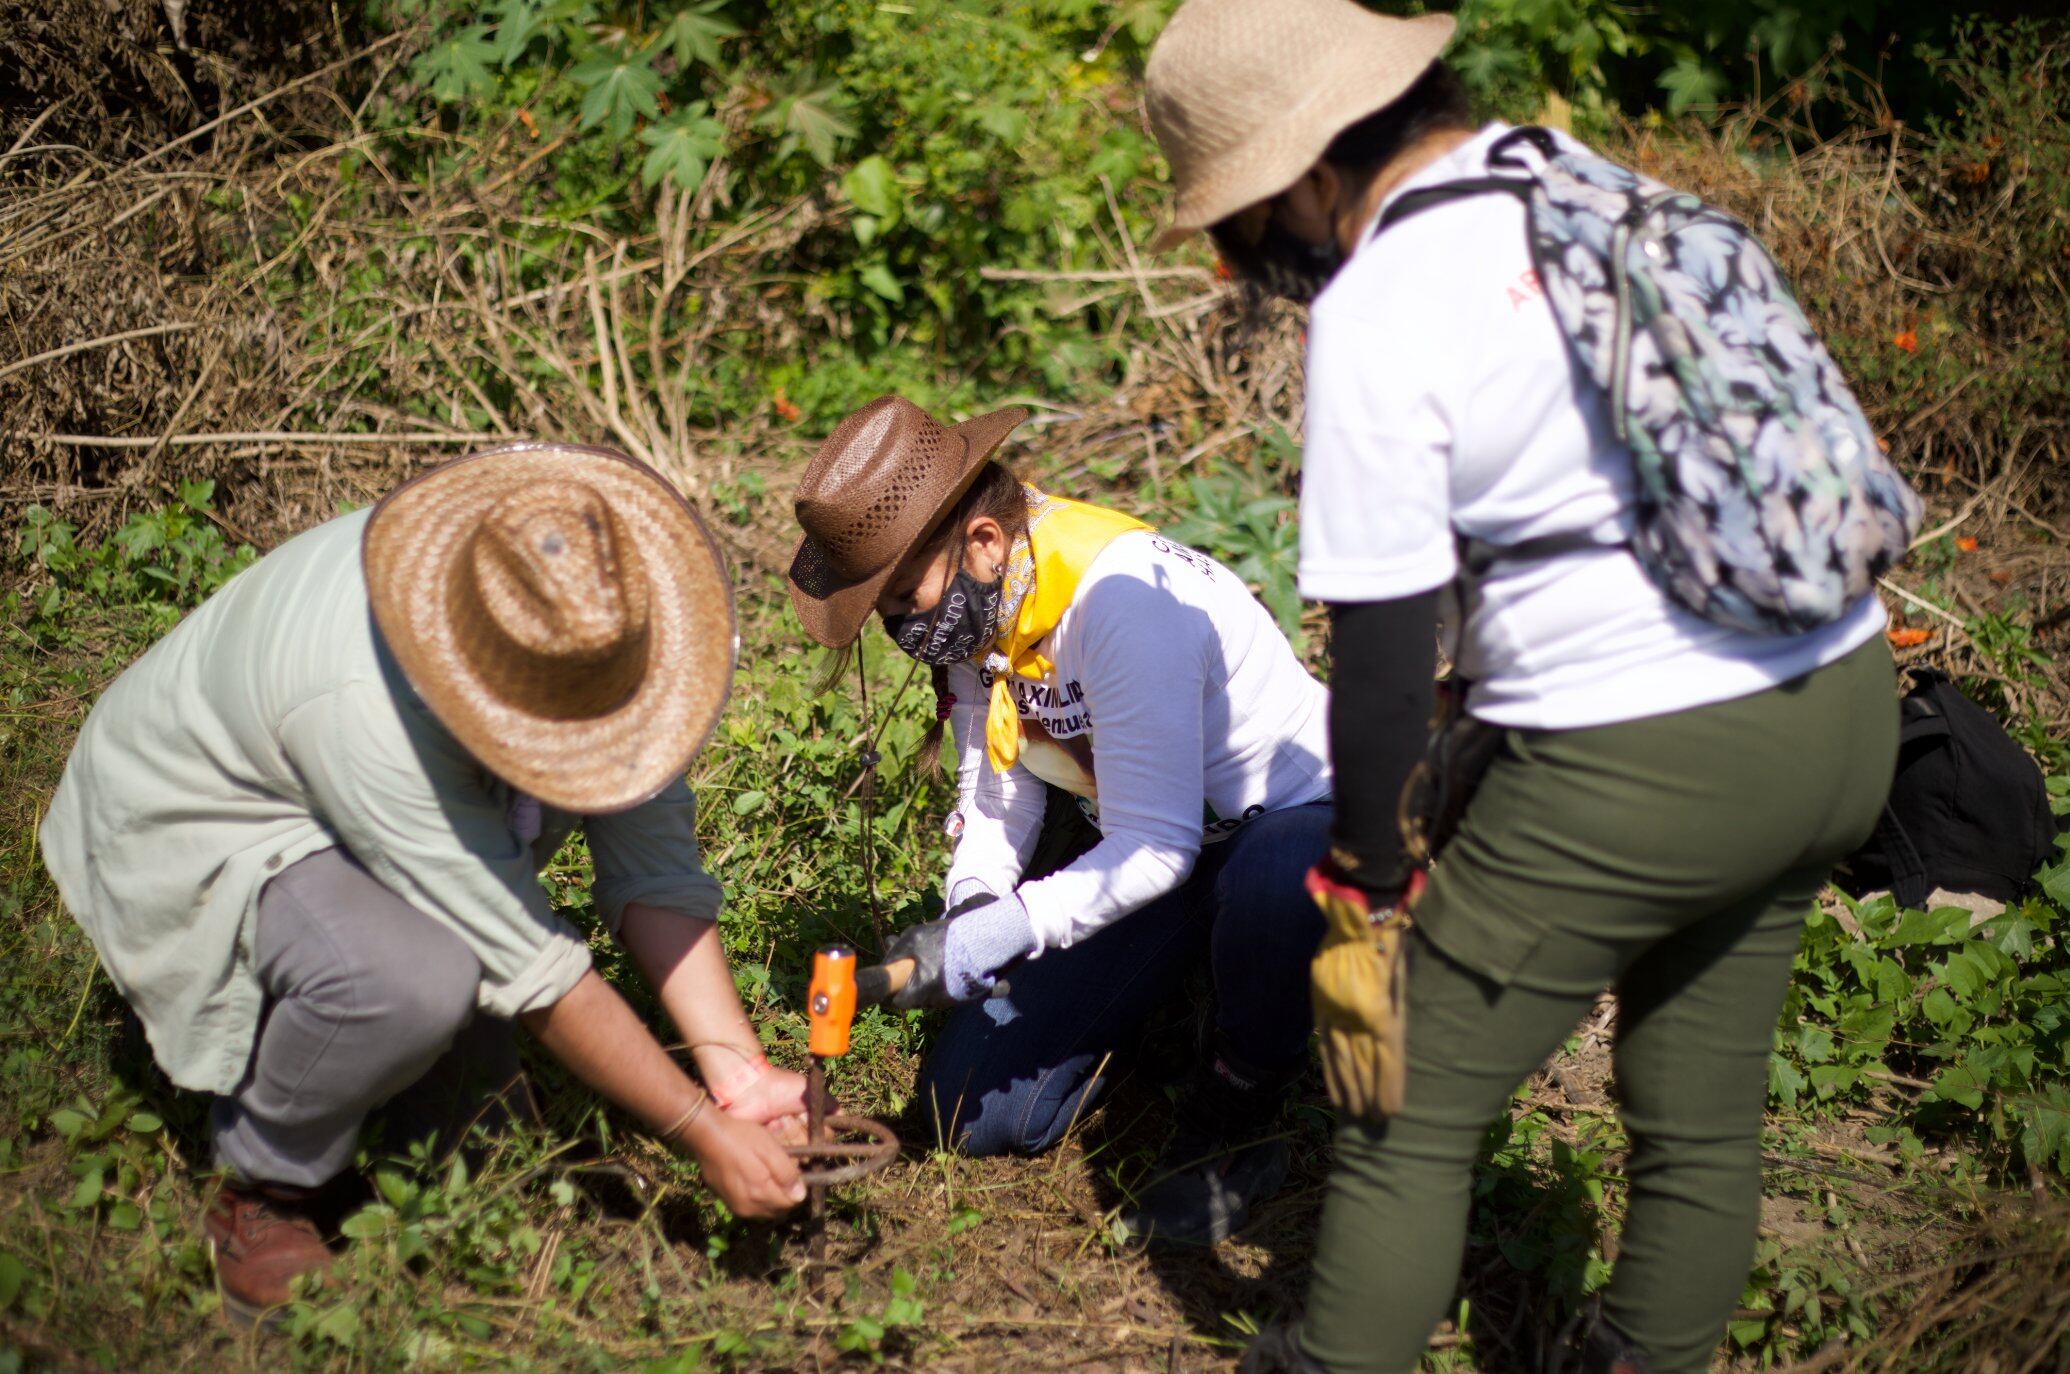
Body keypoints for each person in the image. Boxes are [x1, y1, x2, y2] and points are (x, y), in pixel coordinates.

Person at [1144, 1, 1908, 1371]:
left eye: (1241, 228)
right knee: (1699, 1096)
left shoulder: (1385, 296)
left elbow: (1376, 663)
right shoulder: (1582, 180)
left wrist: (1365, 885)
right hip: (1845, 710)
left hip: (1650, 759)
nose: (1244, 266)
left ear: (1308, 174)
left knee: (1398, 1103)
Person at [40, 443, 811, 1327]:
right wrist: (697, 1133)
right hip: (206, 812)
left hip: (348, 793)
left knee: (478, 1144)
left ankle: (393, 1071)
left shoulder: (588, 627)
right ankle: (265, 1187)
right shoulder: (369, 706)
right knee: (406, 981)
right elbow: (536, 974)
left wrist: (739, 1076)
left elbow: (655, 870)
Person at [786, 395, 1335, 1248]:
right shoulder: (984, 605)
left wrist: (1017, 924)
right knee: (968, 1110)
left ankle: (1239, 1109)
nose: (903, 628)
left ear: (980, 540)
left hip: (1281, 825)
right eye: (887, 615)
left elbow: (1157, 848)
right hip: (1147, 847)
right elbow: (999, 781)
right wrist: (975, 905)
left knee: (1274, 887)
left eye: (903, 596)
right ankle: (1175, 999)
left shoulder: (1119, 604)